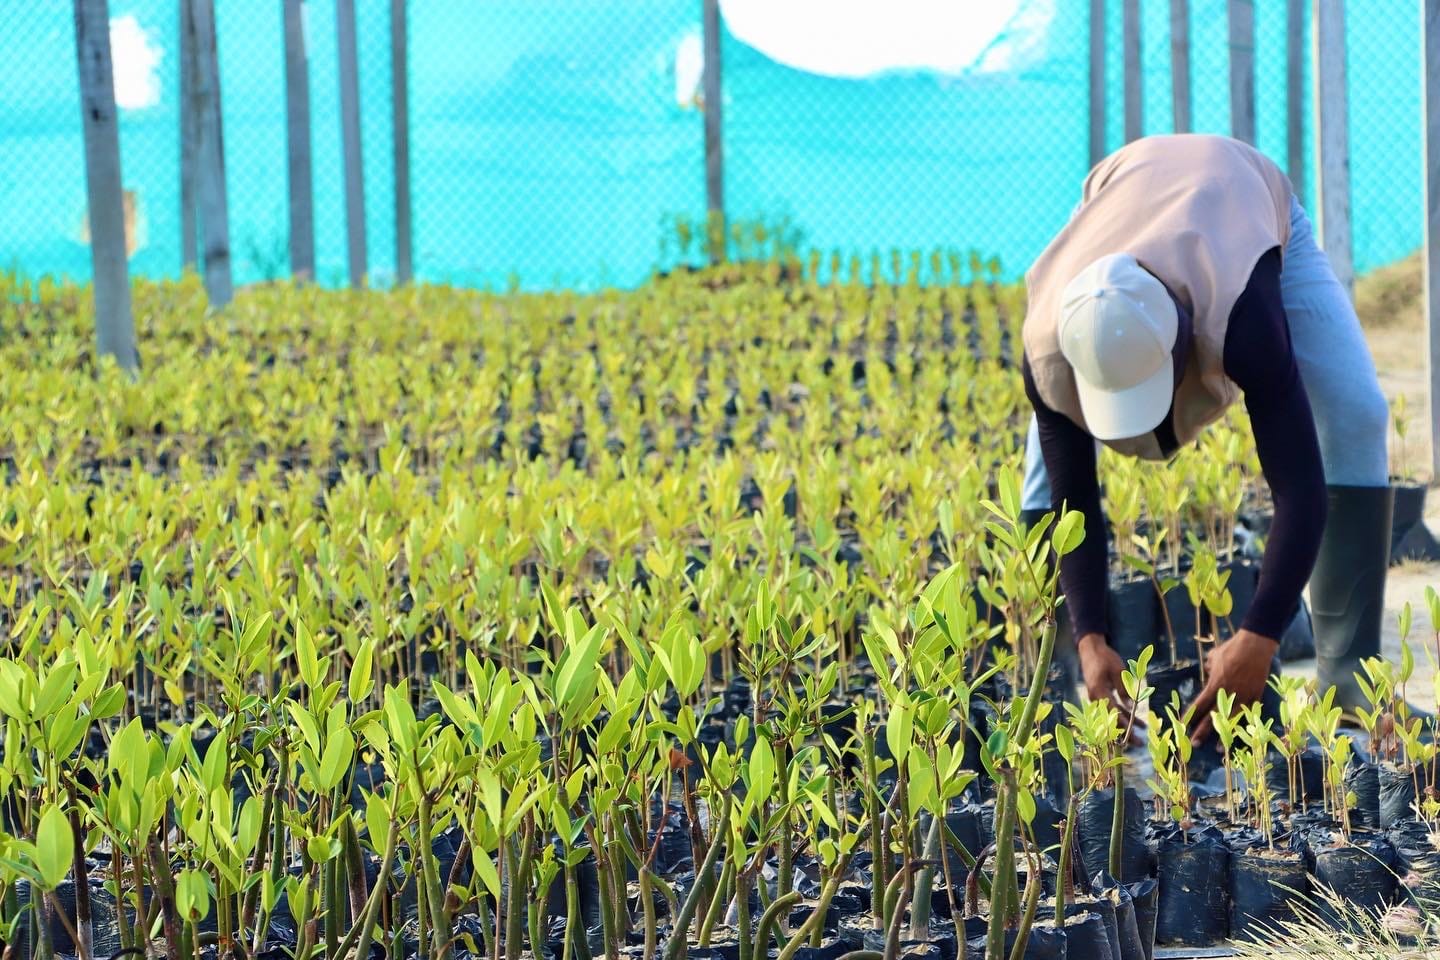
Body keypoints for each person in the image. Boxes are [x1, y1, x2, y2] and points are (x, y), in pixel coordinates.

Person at [1019, 133, 1394, 744]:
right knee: (1043, 464)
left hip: (1243, 204)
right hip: (1116, 199)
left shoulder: (1245, 315)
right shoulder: (1048, 347)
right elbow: (1074, 500)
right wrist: (1091, 635)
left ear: (1184, 346)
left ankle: (1348, 672)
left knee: (1358, 413)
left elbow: (1300, 487)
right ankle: (1067, 668)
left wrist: (1261, 634)